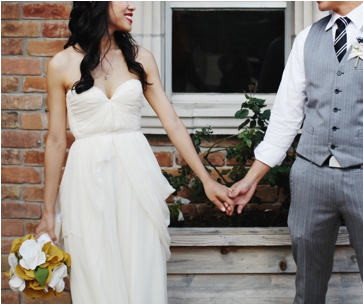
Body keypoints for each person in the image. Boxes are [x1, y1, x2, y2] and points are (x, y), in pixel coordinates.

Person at [228, 1, 363, 303]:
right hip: (310, 176)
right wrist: (252, 179)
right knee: (307, 286)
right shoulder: (307, 39)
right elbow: (286, 116)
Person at [34, 2, 232, 303]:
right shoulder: (61, 64)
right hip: (86, 181)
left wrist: (206, 180)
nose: (132, 5)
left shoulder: (141, 59)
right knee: (95, 272)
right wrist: (48, 214)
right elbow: (57, 140)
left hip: (135, 179)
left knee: (142, 268)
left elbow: (173, 123)